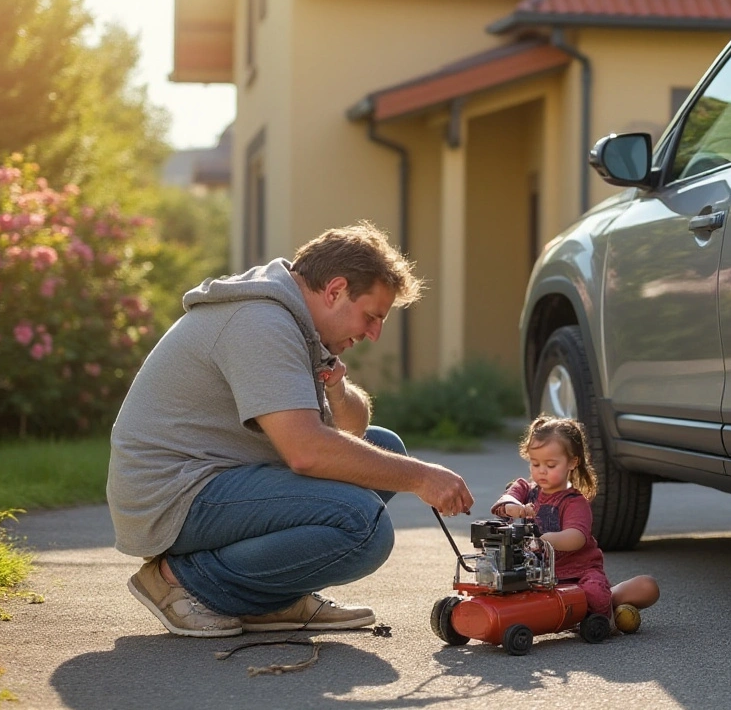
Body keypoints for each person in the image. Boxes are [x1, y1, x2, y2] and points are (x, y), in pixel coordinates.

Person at [108, 223, 474, 638]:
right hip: (173, 496)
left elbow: (352, 432)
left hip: (218, 480)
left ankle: (271, 599)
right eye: (371, 316)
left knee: (384, 447)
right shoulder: (260, 322)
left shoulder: (295, 321)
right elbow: (307, 451)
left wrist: (334, 386)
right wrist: (422, 477)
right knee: (364, 526)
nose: (374, 333)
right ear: (335, 290)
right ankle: (180, 581)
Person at [490, 415, 659, 632]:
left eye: (551, 464)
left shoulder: (575, 502)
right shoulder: (525, 488)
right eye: (535, 463)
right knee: (500, 586)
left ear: (572, 462)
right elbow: (503, 502)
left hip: (578, 573)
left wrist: (545, 540)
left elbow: (576, 538)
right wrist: (513, 507)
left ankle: (600, 610)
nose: (541, 470)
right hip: (536, 575)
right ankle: (577, 610)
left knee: (604, 594)